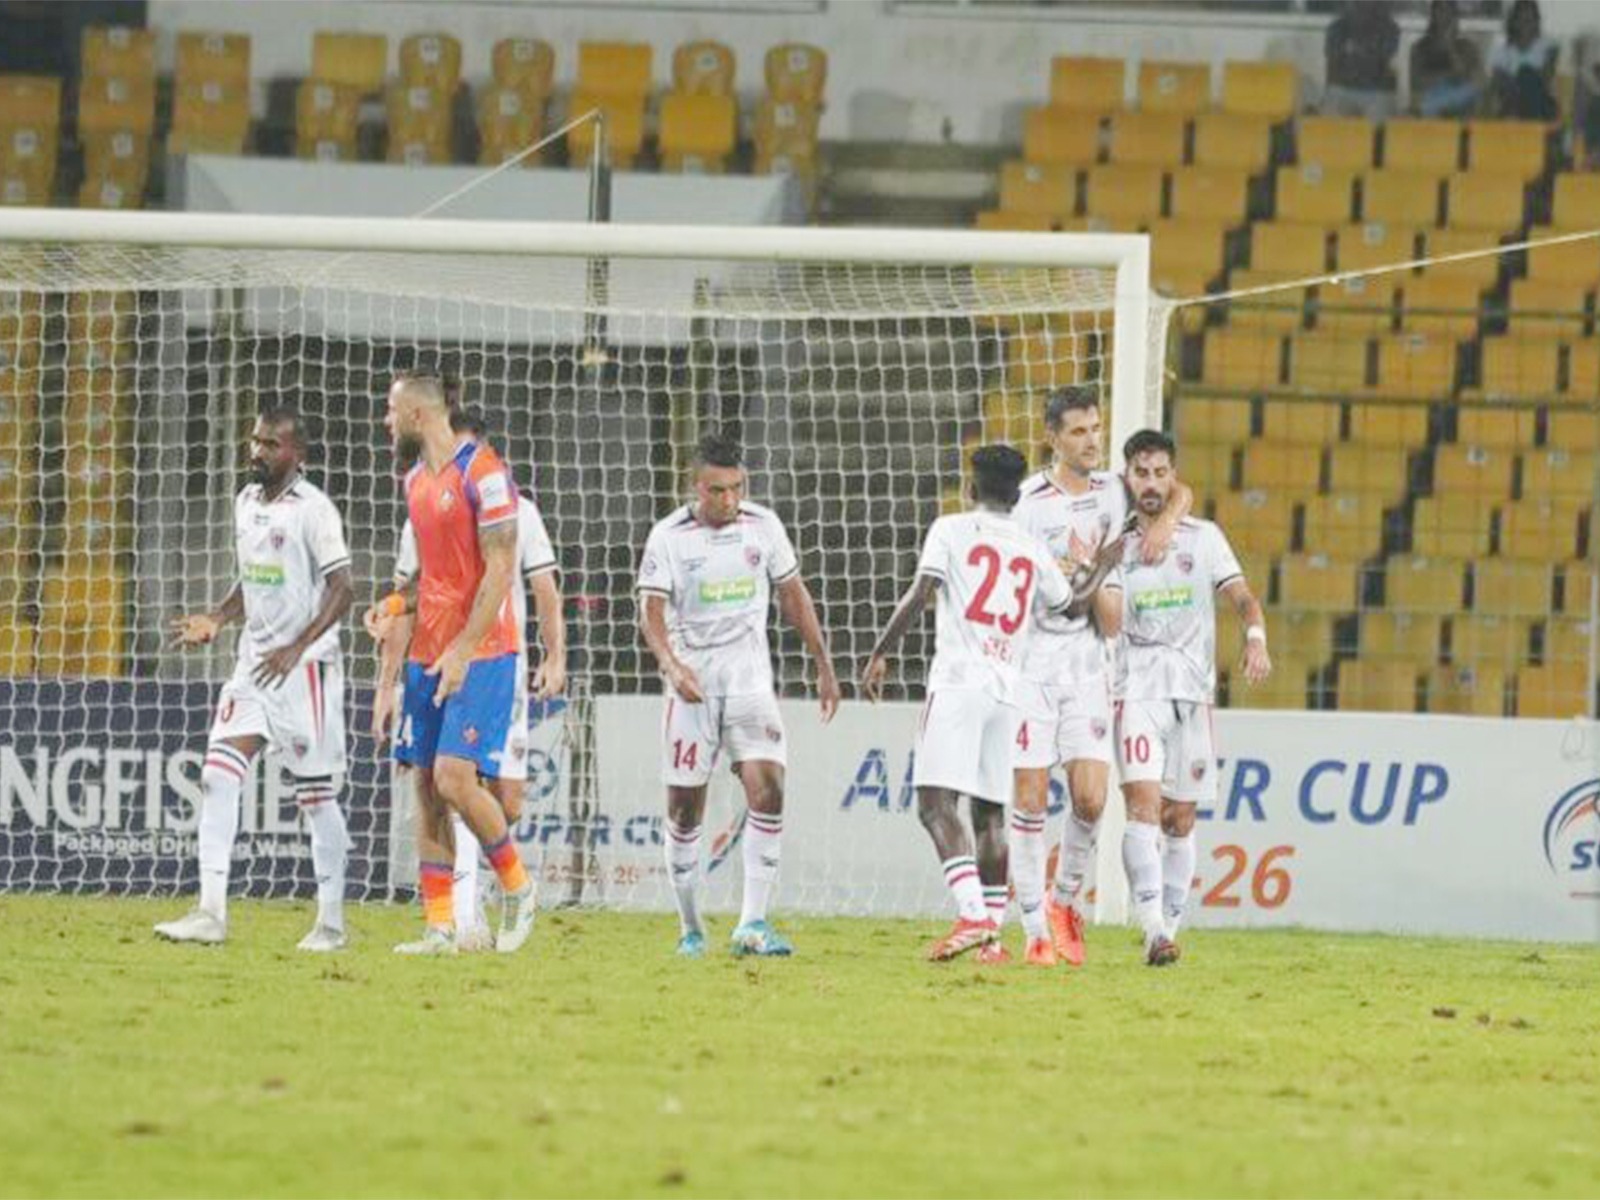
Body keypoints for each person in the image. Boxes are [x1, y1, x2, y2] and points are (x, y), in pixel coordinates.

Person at [861, 444, 1119, 964]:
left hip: (959, 681)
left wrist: (880, 653)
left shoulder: (951, 530)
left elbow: (921, 591)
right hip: (1010, 688)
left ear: (971, 489)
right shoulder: (1029, 545)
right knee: (988, 815)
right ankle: (994, 939)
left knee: (934, 805)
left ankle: (974, 915)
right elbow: (1071, 604)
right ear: (1017, 493)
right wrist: (1104, 563)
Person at [636, 430, 840, 958]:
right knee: (684, 811)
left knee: (769, 788)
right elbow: (651, 612)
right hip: (693, 689)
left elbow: (793, 594)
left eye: (736, 489)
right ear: (694, 488)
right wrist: (670, 663)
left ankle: (753, 923)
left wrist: (822, 662)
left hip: (750, 682)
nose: (728, 500)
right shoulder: (668, 537)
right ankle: (690, 926)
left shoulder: (763, 525)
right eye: (717, 491)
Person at [155, 409, 354, 951]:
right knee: (218, 774)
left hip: (305, 672)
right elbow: (252, 580)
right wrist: (217, 618)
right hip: (253, 668)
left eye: (271, 443)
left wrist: (298, 645)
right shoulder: (244, 503)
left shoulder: (315, 511)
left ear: (297, 454)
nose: (258, 450)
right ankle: (210, 913)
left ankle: (331, 923)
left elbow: (343, 588)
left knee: (315, 797)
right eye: (255, 440)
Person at [368, 408, 565, 951]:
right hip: (427, 659)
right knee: (432, 790)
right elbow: (417, 587)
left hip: (488, 658)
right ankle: (443, 922)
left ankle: (516, 887)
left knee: (485, 792)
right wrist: (388, 622)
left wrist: (554, 655)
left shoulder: (510, 505)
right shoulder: (420, 500)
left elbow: (534, 585)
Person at [1010, 387, 1191, 969]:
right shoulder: (1028, 503)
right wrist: (1062, 579)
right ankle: (1035, 930)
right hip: (1033, 667)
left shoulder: (1114, 489)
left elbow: (1172, 490)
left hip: (1089, 668)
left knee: (1089, 800)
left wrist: (1166, 526)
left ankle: (1065, 904)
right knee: (1032, 800)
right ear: (1053, 439)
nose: (1092, 441)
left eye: (1096, 429)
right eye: (1080, 432)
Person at [1113, 430, 1271, 967]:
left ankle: (1170, 932)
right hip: (1136, 691)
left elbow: (1242, 596)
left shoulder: (1203, 537)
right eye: (1141, 473)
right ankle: (1153, 928)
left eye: (1160, 473)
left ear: (1173, 475)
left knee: (1180, 819)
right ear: (1127, 476)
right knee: (1142, 808)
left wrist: (1255, 638)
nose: (1151, 483)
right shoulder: (1116, 541)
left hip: (1193, 695)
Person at [1323, 0, 1401, 120]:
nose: (1364, 4)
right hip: (1343, 89)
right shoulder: (1336, 28)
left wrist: (1354, 56)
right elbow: (1333, 67)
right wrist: (1367, 55)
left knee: (1381, 108)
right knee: (1333, 99)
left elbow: (1384, 65)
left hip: (1376, 91)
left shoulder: (1390, 29)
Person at [1410, 0, 1484, 118]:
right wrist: (1449, 76)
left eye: (1449, 11)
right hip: (1431, 104)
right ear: (1432, 15)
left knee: (1471, 91)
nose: (1444, 16)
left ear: (1455, 17)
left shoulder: (1467, 47)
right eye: (1440, 10)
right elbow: (1418, 83)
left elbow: (1468, 80)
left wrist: (1450, 48)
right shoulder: (1420, 47)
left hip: (1460, 107)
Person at [1490, 0, 1558, 121]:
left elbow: (1546, 79)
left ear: (1537, 21)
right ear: (1514, 21)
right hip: (1510, 103)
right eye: (1521, 18)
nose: (1526, 23)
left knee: (1526, 74)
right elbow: (1498, 82)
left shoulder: (1549, 46)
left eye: (1530, 19)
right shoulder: (1502, 50)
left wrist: (1518, 79)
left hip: (1542, 105)